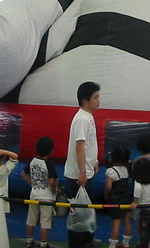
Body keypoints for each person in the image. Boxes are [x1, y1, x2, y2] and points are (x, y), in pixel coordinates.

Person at [64, 81, 100, 248]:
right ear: (86, 100)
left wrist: (94, 161)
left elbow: (89, 144)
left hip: (87, 171)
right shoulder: (81, 119)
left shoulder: (88, 116)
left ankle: (87, 239)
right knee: (77, 214)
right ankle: (77, 244)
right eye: (96, 97)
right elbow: (79, 146)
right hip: (78, 176)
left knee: (87, 210)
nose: (98, 100)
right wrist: (82, 172)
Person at [23, 136, 57, 248]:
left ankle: (29, 241)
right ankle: (43, 244)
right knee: (45, 222)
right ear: (51, 150)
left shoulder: (32, 161)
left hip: (34, 195)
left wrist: (32, 184)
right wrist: (53, 191)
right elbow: (52, 181)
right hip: (46, 196)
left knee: (31, 220)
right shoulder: (49, 164)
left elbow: (23, 173)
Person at [105, 145, 133, 248]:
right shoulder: (127, 169)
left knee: (116, 224)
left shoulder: (110, 171)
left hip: (115, 201)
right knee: (127, 222)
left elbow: (108, 187)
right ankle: (126, 244)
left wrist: (106, 196)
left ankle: (113, 245)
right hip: (127, 199)